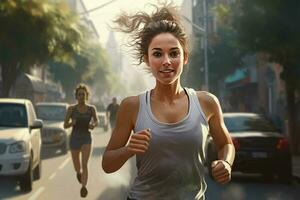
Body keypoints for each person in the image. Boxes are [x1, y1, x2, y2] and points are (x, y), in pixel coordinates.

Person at [102, 3, 235, 200]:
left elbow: (226, 144)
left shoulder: (207, 102)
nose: (166, 61)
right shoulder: (132, 106)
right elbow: (107, 164)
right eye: (157, 54)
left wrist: (226, 163)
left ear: (185, 57)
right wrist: (129, 149)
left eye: (174, 53)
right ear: (147, 59)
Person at [64, 84, 98, 198]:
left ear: (86, 96)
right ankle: (78, 173)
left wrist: (93, 125)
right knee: (76, 165)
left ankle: (83, 187)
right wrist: (71, 123)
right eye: (79, 94)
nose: (81, 96)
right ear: (76, 96)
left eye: (83, 94)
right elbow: (65, 125)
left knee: (84, 164)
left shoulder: (91, 109)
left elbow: (96, 121)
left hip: (86, 138)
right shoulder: (71, 109)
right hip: (74, 138)